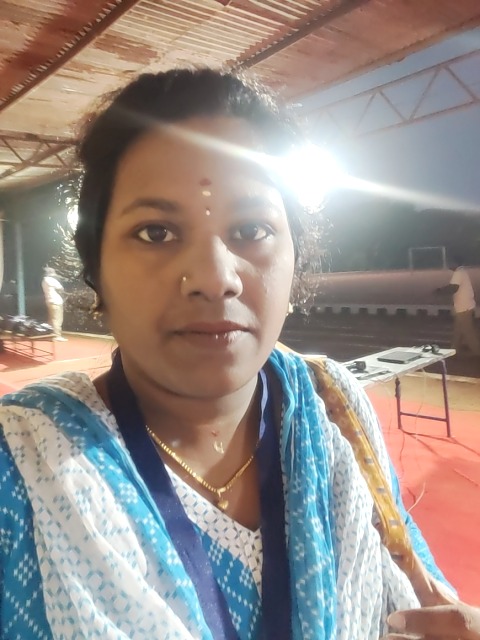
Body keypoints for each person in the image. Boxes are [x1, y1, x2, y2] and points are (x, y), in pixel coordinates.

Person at [1, 68, 479, 639]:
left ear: (296, 258)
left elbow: (410, 596)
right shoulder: (22, 467)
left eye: (251, 228)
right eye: (155, 232)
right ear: (95, 268)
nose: (214, 278)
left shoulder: (332, 412)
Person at [435, 254, 480, 356]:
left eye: (449, 262)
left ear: (455, 263)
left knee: (469, 334)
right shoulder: (461, 272)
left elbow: (453, 288)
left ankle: (478, 352)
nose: (447, 265)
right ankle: (454, 351)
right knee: (458, 332)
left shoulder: (458, 273)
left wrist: (440, 291)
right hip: (464, 306)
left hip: (464, 307)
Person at [41, 266, 67, 340]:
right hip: (56, 301)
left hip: (49, 301)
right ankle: (57, 336)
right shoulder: (51, 280)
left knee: (51, 319)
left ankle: (50, 334)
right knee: (57, 319)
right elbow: (61, 288)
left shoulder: (44, 281)